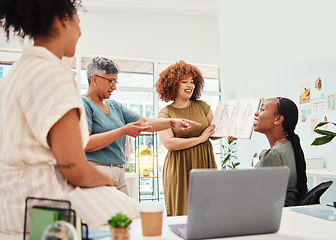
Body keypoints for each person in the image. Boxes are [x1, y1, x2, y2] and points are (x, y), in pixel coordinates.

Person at [0, 0, 138, 234]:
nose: (80, 31)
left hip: (8, 206)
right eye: (78, 22)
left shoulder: (14, 74)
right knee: (133, 212)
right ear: (64, 19)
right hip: (43, 206)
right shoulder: (53, 73)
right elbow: (74, 168)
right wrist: (107, 183)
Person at [82, 56, 200, 195]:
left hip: (119, 172)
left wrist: (173, 122)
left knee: (129, 215)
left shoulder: (114, 106)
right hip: (98, 171)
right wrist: (123, 131)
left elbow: (146, 123)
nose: (114, 86)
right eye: (111, 81)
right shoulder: (83, 103)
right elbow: (86, 143)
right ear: (94, 79)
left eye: (115, 81)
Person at [155, 60, 235, 216]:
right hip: (179, 165)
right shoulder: (165, 113)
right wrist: (200, 139)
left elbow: (213, 133)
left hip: (204, 160)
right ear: (172, 85)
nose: (189, 85)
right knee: (182, 210)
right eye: (184, 81)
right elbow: (169, 143)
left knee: (208, 206)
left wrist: (228, 133)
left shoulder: (202, 106)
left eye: (192, 81)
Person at [253, 97, 308, 206]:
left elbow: (260, 197)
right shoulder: (290, 146)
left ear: (278, 119)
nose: (256, 113)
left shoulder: (274, 155)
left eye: (262, 109)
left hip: (278, 217)